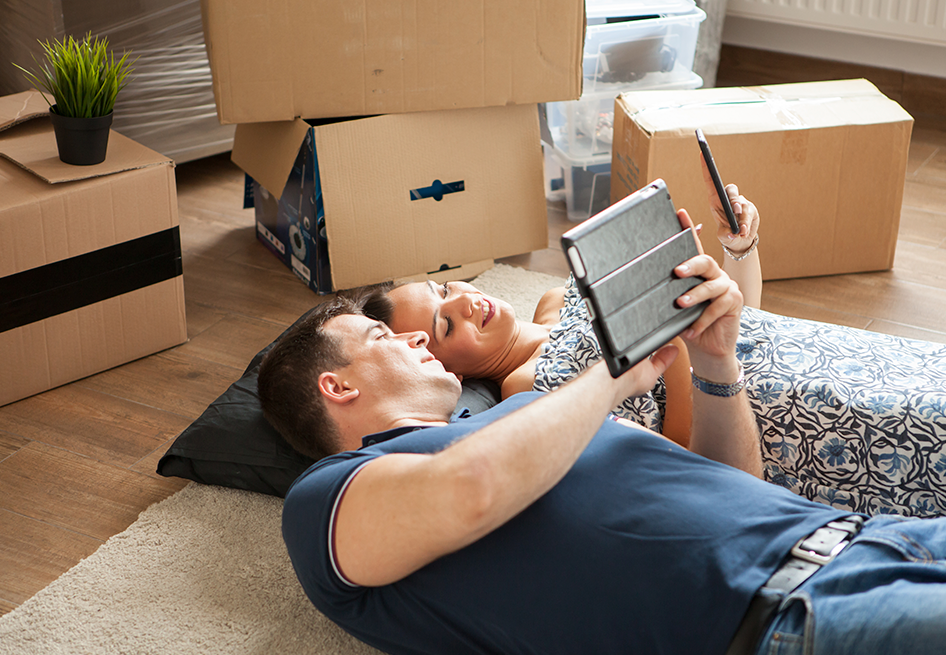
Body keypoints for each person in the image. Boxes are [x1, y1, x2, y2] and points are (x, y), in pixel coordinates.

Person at [259, 246, 946, 655]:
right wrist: (612, 375)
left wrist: (713, 362)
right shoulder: (325, 497)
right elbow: (467, 489)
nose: (415, 339)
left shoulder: (530, 412)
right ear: (336, 386)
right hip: (786, 619)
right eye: (385, 339)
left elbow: (731, 481)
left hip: (875, 537)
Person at [380, 167, 946, 519]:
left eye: (445, 287)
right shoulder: (527, 390)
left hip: (806, 346)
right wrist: (678, 339)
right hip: (781, 414)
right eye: (444, 325)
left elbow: (740, 317)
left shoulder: (555, 299)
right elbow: (676, 450)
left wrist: (736, 253)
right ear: (441, 363)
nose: (461, 302)